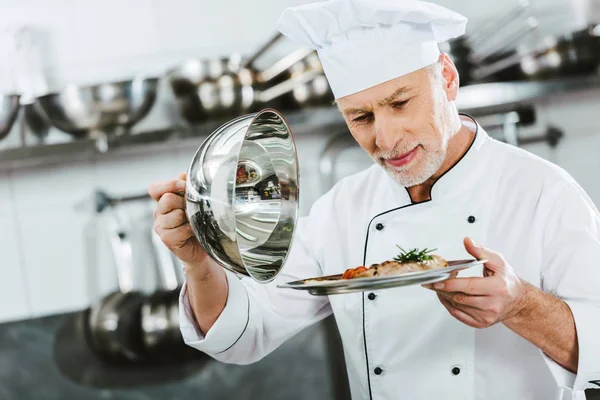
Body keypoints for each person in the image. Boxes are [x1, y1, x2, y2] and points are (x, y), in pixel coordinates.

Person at [148, 1, 600, 399]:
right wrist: (198, 263)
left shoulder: (543, 193)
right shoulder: (345, 208)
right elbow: (244, 335)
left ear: (446, 79)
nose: (384, 139)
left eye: (400, 103)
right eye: (361, 117)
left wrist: (520, 304)